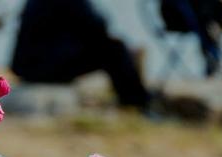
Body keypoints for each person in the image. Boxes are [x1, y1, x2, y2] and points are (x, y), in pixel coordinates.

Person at [11, 0, 151, 109]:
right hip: (44, 66)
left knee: (111, 48)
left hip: (28, 64)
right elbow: (97, 25)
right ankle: (136, 101)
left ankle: (135, 98)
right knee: (115, 49)